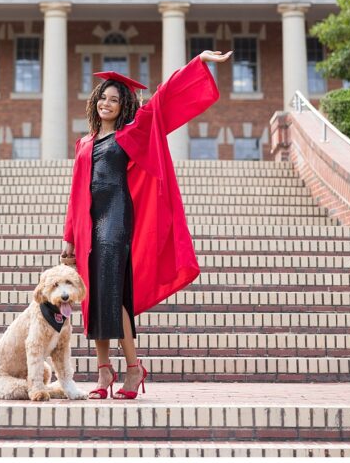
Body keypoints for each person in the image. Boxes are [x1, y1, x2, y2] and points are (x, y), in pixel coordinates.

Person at [61, 50, 232, 400]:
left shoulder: (131, 133)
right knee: (94, 296)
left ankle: (133, 366)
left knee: (113, 293)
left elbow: (160, 102)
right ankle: (105, 370)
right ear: (94, 103)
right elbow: (75, 191)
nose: (107, 104)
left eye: (114, 100)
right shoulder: (83, 143)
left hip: (117, 219)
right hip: (87, 225)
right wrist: (68, 239)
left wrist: (197, 63)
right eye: (103, 98)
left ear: (123, 106)